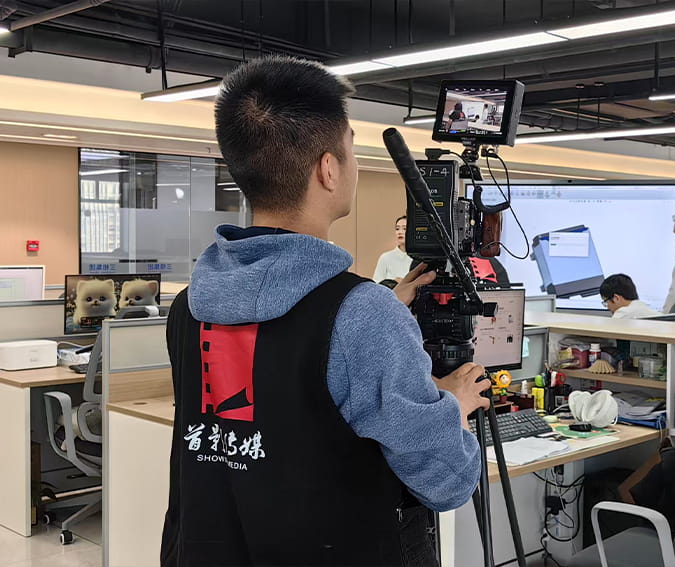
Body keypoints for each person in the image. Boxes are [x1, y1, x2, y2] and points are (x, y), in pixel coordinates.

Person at [160, 56, 491, 567]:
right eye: (352, 149)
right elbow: (445, 481)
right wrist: (452, 406)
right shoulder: (362, 315)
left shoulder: (190, 305)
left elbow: (277, 404)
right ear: (328, 169)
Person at [373, 215, 414, 282]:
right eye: (397, 229)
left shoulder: (419, 259)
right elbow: (376, 283)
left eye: (404, 229)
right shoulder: (385, 257)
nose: (400, 232)